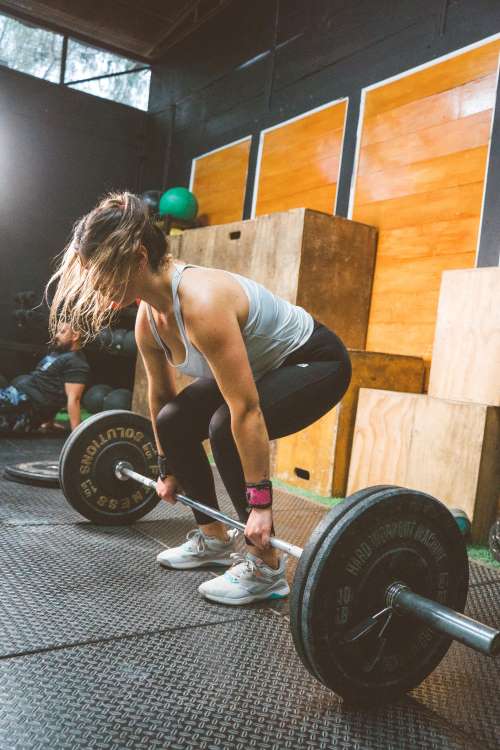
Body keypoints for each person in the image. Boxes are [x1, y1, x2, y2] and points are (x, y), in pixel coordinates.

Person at [47, 192, 352, 605]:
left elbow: (245, 409)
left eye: (102, 272)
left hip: (315, 362)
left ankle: (266, 565)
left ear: (138, 259)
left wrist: (260, 505)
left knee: (225, 425)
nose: (96, 285)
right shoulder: (147, 321)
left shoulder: (202, 302)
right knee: (174, 418)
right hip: (264, 367)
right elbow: (161, 397)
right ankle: (212, 537)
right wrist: (168, 468)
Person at [0, 323, 89, 435]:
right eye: (57, 331)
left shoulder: (77, 363)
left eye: (62, 332)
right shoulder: (58, 353)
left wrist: (77, 434)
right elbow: (52, 387)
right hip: (14, 396)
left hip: (23, 407)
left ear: (75, 336)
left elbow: (73, 398)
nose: (56, 335)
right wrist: (49, 422)